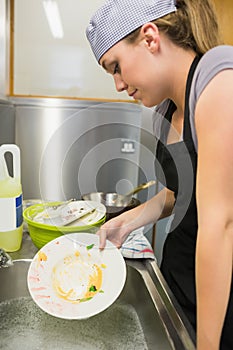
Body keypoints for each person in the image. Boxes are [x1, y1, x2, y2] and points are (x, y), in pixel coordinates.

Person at [86, 0, 233, 349]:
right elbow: (179, 195)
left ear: (150, 38)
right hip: (180, 281)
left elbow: (220, 225)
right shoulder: (165, 112)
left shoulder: (218, 80)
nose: (119, 85)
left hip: (221, 299)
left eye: (116, 67)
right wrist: (128, 221)